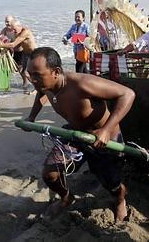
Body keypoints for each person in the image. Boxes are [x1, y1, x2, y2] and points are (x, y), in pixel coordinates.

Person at [25, 47, 135, 222]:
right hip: (76, 134)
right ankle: (66, 198)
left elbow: (127, 94)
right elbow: (41, 93)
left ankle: (120, 202)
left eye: (37, 75)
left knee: (112, 184)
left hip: (104, 140)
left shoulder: (81, 83)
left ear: (56, 72)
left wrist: (106, 130)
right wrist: (31, 117)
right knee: (50, 173)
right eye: (30, 74)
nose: (32, 80)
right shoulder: (45, 85)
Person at [0, 15, 37, 93]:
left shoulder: (25, 32)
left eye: (14, 29)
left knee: (26, 72)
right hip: (25, 53)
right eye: (12, 29)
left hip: (33, 53)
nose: (13, 31)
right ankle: (35, 86)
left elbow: (13, 44)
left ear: (19, 26)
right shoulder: (16, 31)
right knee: (23, 71)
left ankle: (37, 88)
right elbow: (15, 44)